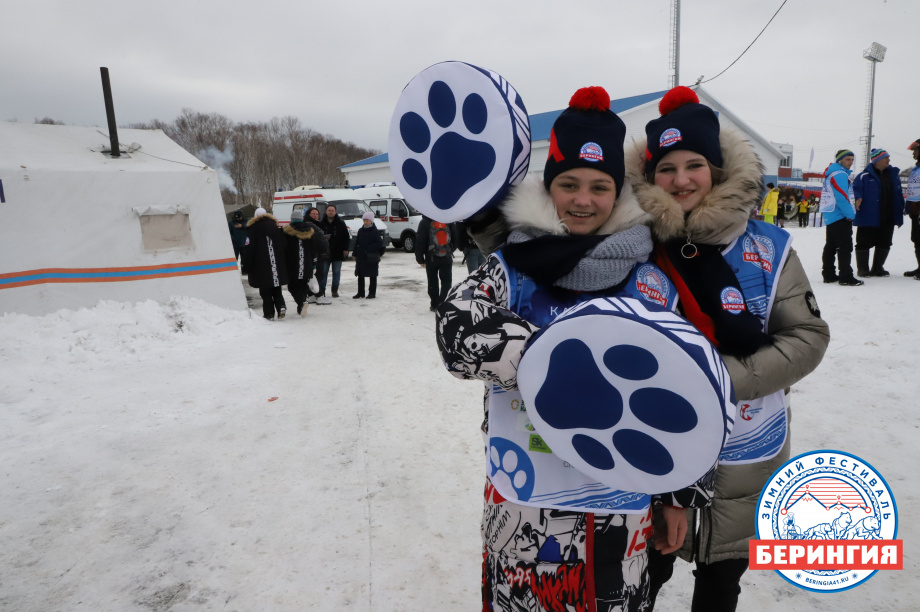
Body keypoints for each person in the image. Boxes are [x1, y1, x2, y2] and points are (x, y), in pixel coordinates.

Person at [435, 86, 720, 612]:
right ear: (550, 187)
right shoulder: (514, 265)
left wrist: (680, 496)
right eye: (568, 184)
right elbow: (455, 330)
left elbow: (691, 384)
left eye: (599, 186)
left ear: (618, 192)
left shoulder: (649, 279)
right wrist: (559, 368)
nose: (583, 200)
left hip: (620, 510)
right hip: (526, 505)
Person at [628, 86, 830, 612]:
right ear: (650, 177)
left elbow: (807, 336)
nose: (681, 180)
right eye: (666, 168)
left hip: (747, 448)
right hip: (655, 446)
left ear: (717, 170)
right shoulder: (631, 247)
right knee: (641, 576)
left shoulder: (768, 247)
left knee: (722, 582)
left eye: (694, 164)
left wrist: (715, 383)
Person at [852, 148, 905, 277]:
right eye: (886, 157)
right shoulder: (864, 176)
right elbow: (855, 190)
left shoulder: (893, 175)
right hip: (869, 215)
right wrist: (858, 198)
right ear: (877, 160)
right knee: (863, 242)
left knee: (885, 242)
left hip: (888, 216)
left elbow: (899, 193)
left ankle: (878, 268)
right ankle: (863, 269)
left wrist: (901, 206)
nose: (888, 160)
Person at [820, 150, 862, 285]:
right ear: (840, 160)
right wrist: (850, 214)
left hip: (830, 214)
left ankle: (829, 274)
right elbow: (842, 197)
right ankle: (846, 276)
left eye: (852, 159)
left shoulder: (832, 173)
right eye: (847, 159)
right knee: (845, 247)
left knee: (831, 246)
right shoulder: (840, 174)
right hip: (839, 215)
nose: (850, 162)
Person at [242, 207, 289, 320]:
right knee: (276, 287)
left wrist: (246, 266)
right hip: (276, 264)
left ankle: (269, 314)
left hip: (260, 266)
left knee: (265, 290)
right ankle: (281, 306)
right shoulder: (276, 228)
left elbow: (249, 250)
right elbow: (284, 246)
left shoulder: (253, 230)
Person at [415, 215, 459, 311]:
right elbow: (456, 238)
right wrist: (450, 250)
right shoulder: (448, 219)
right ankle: (443, 303)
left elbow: (420, 241)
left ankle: (434, 304)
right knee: (446, 281)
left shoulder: (425, 221)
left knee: (432, 281)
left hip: (431, 257)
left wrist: (420, 258)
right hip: (446, 256)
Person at [283, 209, 322, 316]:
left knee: (292, 286)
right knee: (303, 285)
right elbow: (313, 249)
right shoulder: (309, 231)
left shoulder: (287, 232)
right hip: (307, 264)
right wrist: (314, 264)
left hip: (292, 265)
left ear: (291, 220)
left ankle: (302, 302)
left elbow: (284, 249)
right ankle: (301, 307)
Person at [317, 203, 350, 301]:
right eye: (329, 210)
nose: (330, 212)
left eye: (332, 210)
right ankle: (322, 290)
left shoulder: (340, 223)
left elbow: (346, 237)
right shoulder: (321, 223)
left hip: (337, 252)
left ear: (335, 212)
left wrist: (345, 249)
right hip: (324, 252)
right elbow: (317, 237)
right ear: (326, 211)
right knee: (323, 272)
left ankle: (334, 290)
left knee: (336, 272)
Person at [352, 211, 384, 299]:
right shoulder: (361, 230)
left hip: (371, 257)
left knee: (372, 275)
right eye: (364, 220)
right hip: (361, 256)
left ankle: (372, 293)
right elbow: (357, 243)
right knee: (360, 275)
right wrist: (354, 254)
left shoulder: (375, 231)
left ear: (371, 221)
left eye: (367, 220)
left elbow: (379, 243)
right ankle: (360, 292)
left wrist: (369, 248)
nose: (365, 222)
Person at [905, 138, 920, 278]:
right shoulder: (916, 169)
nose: (913, 153)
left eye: (915, 150)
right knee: (917, 238)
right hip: (915, 211)